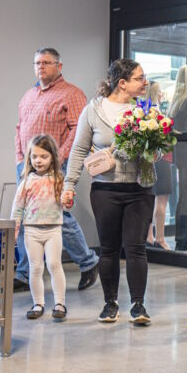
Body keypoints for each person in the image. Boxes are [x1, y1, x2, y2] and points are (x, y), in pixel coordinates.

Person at [64, 59, 154, 325]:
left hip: (140, 188)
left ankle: (138, 305)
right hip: (105, 189)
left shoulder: (146, 110)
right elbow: (79, 149)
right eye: (139, 78)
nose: (144, 82)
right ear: (122, 82)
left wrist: (155, 146)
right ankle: (110, 303)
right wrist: (69, 185)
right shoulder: (93, 110)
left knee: (136, 247)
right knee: (109, 248)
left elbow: (157, 150)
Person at [14, 47, 98, 292]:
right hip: (27, 166)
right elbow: (19, 128)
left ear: (59, 67)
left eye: (47, 62)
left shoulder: (71, 94)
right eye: (37, 62)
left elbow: (78, 130)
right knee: (25, 215)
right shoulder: (29, 95)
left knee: (57, 216)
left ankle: (88, 261)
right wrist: (21, 158)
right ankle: (23, 272)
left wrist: (59, 157)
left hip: (55, 167)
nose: (41, 67)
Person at [12, 135, 68, 321]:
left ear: (52, 157)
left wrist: (68, 200)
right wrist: (15, 228)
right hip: (32, 231)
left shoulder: (59, 179)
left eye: (43, 156)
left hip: (53, 230)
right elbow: (18, 207)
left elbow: (65, 204)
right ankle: (38, 303)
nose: (38, 160)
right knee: (35, 267)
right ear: (29, 158)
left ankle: (60, 303)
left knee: (53, 264)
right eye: (34, 156)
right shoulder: (26, 181)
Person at [169, 65, 187, 250]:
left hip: (181, 155)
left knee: (183, 196)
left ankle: (182, 237)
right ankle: (185, 238)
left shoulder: (177, 103)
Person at [144, 81, 172, 250]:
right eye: (160, 91)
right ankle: (160, 238)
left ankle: (149, 236)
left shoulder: (144, 111)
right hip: (162, 160)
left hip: (151, 161)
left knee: (151, 199)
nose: (162, 94)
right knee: (161, 200)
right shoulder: (156, 112)